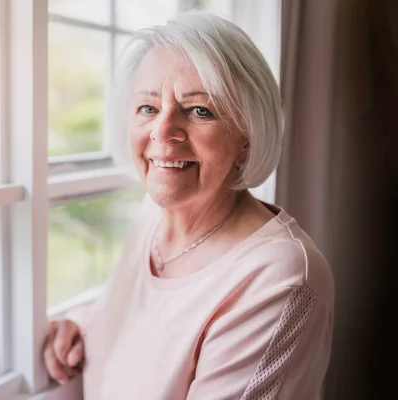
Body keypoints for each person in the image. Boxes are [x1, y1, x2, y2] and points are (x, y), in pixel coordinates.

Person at [42, 9, 334, 400]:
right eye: (148, 107)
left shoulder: (279, 278)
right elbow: (151, 331)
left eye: (200, 110)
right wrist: (79, 326)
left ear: (246, 136)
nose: (162, 131)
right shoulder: (156, 214)